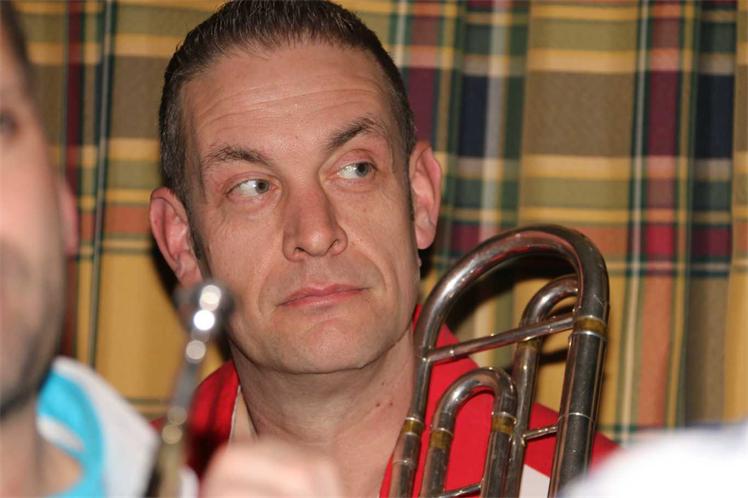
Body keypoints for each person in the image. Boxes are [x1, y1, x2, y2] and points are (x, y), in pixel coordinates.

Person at [148, 1, 618, 496]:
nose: (315, 233)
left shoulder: (606, 485)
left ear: (420, 199)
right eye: (252, 187)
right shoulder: (115, 477)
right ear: (183, 243)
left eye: (356, 169)